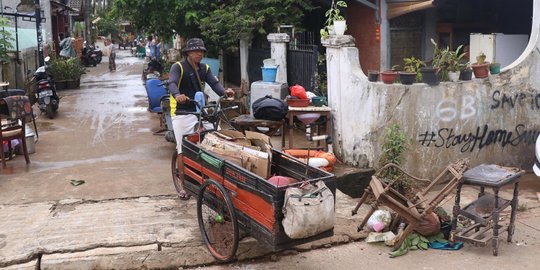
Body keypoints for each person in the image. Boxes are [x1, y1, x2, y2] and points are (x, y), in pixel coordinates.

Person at [169, 38, 234, 200]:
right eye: (196, 51)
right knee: (183, 147)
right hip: (182, 111)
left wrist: (225, 92)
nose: (200, 53)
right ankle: (183, 185)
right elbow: (171, 83)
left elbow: (214, 84)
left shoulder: (204, 68)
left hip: (200, 110)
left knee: (217, 139)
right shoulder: (178, 67)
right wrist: (177, 95)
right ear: (188, 53)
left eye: (202, 51)